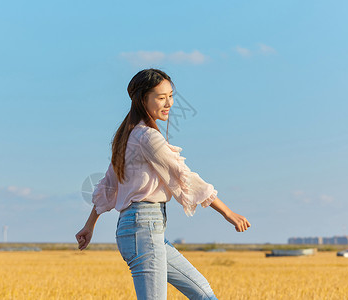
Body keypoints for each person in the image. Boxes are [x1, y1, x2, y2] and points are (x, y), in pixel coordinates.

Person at [75, 68, 251, 300]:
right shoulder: (146, 137)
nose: (169, 103)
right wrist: (227, 212)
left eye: (170, 95)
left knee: (203, 293)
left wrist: (89, 226)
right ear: (142, 100)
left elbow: (108, 185)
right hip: (144, 228)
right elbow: (183, 174)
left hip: (142, 230)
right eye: (161, 97)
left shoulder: (127, 137)